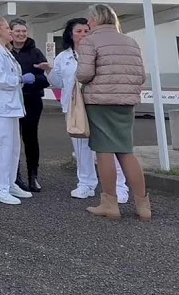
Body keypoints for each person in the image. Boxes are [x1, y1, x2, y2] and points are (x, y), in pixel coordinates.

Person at [75, 4, 152, 221]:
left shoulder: (90, 41)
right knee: (126, 150)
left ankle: (110, 203)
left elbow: (84, 73)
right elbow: (141, 75)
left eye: (90, 19)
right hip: (125, 102)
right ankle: (143, 205)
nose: (88, 23)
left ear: (96, 20)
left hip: (100, 102)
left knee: (104, 151)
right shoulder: (130, 41)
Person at [48, 18, 131, 202]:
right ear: (70, 35)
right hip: (75, 108)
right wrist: (49, 71)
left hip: (99, 105)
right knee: (81, 148)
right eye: (78, 31)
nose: (83, 35)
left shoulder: (100, 52)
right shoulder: (63, 57)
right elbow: (57, 81)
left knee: (108, 146)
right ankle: (86, 184)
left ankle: (119, 187)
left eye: (86, 31)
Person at [0, 17, 34, 205]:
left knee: (13, 147)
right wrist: (20, 80)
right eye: (7, 27)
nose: (10, 31)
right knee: (3, 147)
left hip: (9, 107)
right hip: (0, 107)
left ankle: (9, 183)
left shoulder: (4, 51)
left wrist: (18, 80)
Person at [9, 19, 51, 193]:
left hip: (31, 100)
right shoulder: (5, 52)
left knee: (30, 138)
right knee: (12, 139)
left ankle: (33, 176)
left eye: (24, 31)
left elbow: (45, 79)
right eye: (17, 31)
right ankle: (15, 176)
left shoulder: (35, 52)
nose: (21, 34)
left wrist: (31, 80)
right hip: (11, 101)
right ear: (10, 33)